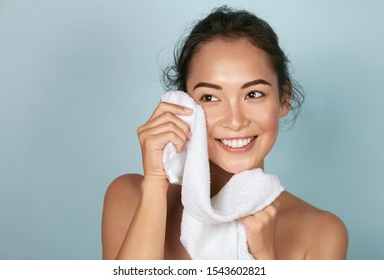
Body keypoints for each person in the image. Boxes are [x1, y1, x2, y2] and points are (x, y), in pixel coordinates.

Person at [101, 6, 348, 260]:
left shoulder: (322, 232)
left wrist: (265, 258)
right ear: (185, 105)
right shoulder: (130, 197)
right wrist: (154, 183)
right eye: (210, 97)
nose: (235, 121)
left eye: (253, 94)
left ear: (283, 99)